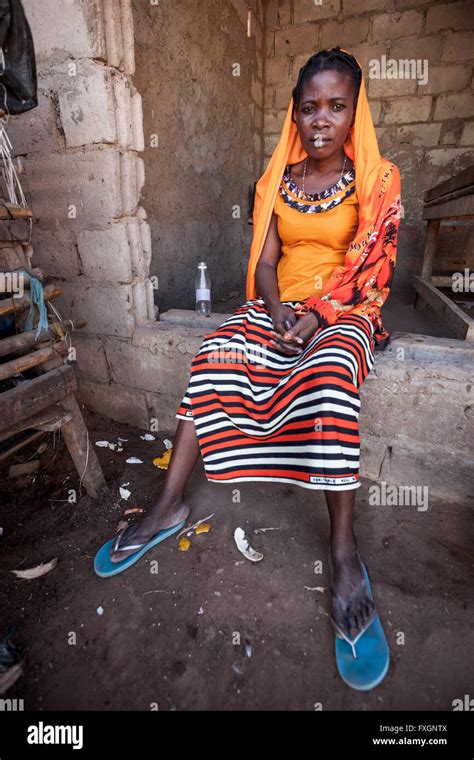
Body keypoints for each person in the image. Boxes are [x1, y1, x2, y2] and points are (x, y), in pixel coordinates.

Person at [96, 47, 401, 687]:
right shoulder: (274, 184)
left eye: (336, 106)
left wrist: (317, 318)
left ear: (355, 111)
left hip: (343, 309)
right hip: (279, 305)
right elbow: (264, 265)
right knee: (214, 351)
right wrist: (276, 312)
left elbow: (370, 271)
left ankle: (343, 552)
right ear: (296, 111)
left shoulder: (377, 181)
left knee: (331, 371)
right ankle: (169, 504)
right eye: (309, 106)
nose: (321, 119)